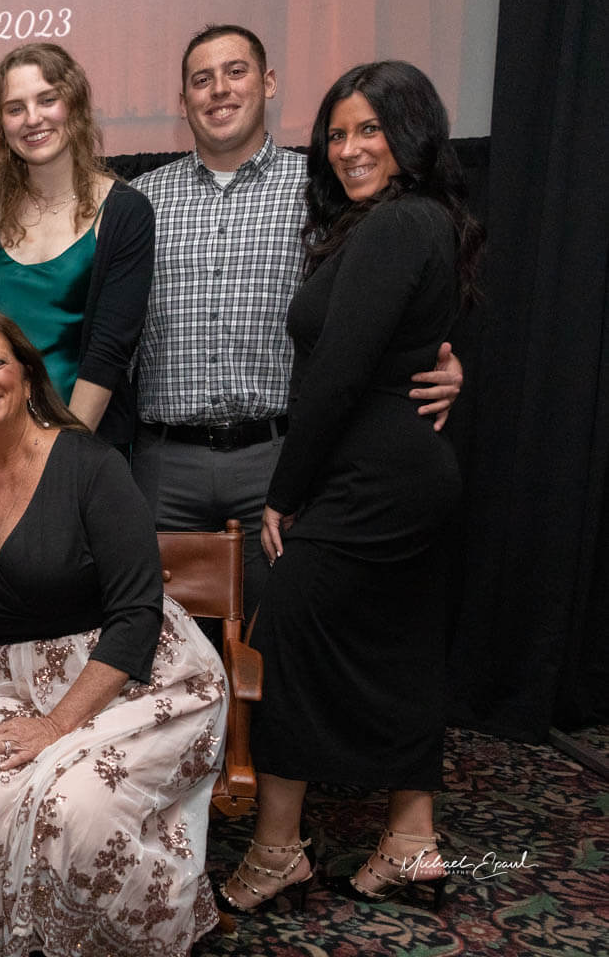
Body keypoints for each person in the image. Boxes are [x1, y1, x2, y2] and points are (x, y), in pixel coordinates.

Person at [221, 61, 483, 915]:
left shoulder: (398, 223)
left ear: (410, 134)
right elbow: (411, 348)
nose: (348, 148)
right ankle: (411, 844)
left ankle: (275, 853)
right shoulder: (413, 222)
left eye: (368, 129)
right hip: (404, 474)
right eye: (336, 133)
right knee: (405, 650)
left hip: (372, 480)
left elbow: (337, 372)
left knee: (287, 631)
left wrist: (283, 493)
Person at [0, 305, 227, 956]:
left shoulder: (90, 465)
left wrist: (58, 726)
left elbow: (137, 613)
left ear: (27, 377)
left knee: (75, 805)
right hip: (8, 689)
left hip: (132, 679)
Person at [129, 24, 462, 612]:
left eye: (236, 72)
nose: (219, 91)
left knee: (277, 641)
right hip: (164, 467)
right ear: (183, 104)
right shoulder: (139, 201)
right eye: (200, 80)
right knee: (157, 645)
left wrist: (438, 360)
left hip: (279, 461)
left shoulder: (324, 188)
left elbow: (389, 301)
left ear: (270, 82)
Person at [0, 43, 153, 453]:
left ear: (74, 104)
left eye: (47, 99)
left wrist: (63, 457)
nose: (32, 119)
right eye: (15, 108)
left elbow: (109, 351)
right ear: (1, 124)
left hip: (84, 444)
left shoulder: (126, 211)